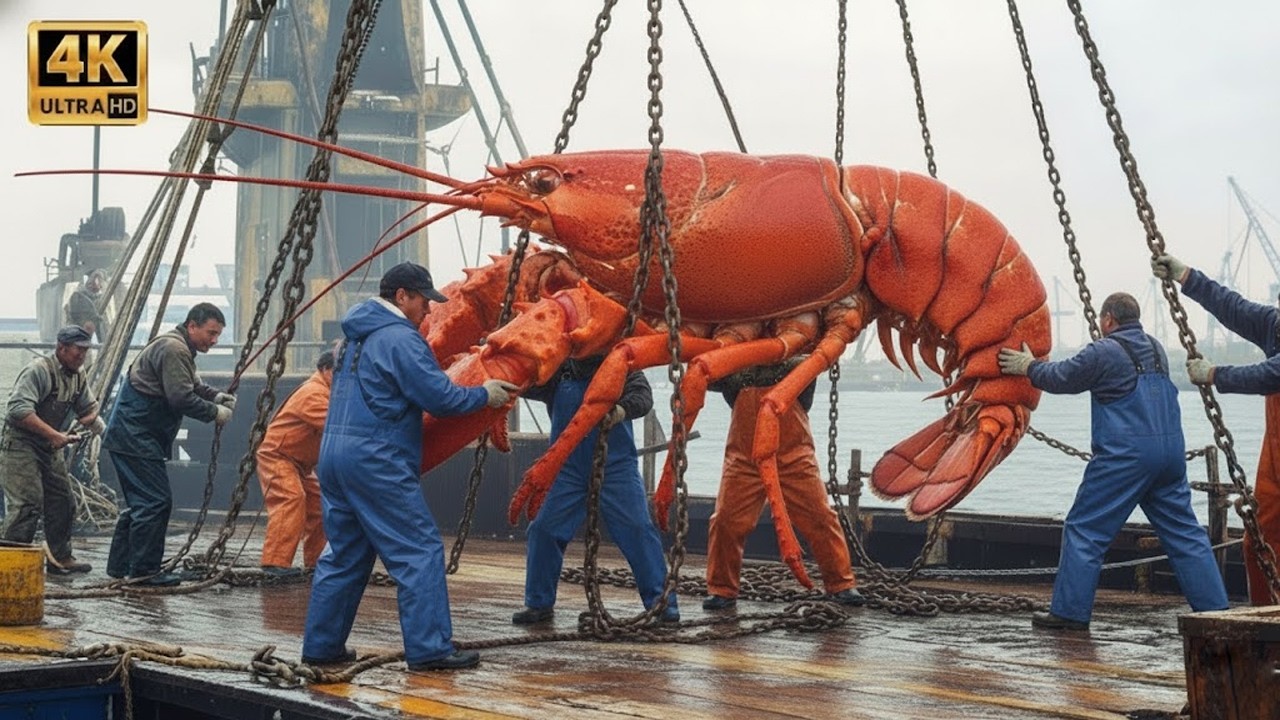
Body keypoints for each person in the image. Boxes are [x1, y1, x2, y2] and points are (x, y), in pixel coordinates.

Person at [301, 262, 517, 672]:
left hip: (334, 457)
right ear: (402, 296)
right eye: (423, 301)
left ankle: (322, 647)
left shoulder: (349, 342)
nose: (428, 310)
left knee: (344, 555)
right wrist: (484, 395)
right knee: (418, 550)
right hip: (377, 460)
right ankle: (430, 650)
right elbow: (439, 398)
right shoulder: (401, 338)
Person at [998, 291, 1229, 630]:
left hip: (1127, 456)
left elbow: (1062, 377)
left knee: (1085, 529)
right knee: (1186, 535)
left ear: (1108, 319)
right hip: (1170, 455)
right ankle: (1216, 612)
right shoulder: (1156, 348)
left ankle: (1069, 613)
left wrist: (1028, 367)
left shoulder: (1104, 350)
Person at [511, 355, 679, 626]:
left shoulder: (622, 364)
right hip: (567, 468)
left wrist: (621, 410)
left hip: (616, 467)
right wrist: (507, 374)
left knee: (638, 529)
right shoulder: (560, 369)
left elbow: (642, 397)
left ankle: (662, 605)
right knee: (543, 529)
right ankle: (538, 603)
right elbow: (529, 383)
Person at [1153, 253, 1280, 605]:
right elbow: (1233, 308)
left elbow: (1271, 374)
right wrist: (1186, 276)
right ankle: (1266, 620)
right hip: (1275, 467)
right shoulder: (1274, 326)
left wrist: (1215, 375)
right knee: (1258, 542)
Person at [702, 366, 865, 610]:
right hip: (745, 458)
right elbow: (709, 377)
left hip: (793, 457)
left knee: (819, 516)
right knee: (726, 519)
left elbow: (810, 378)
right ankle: (721, 589)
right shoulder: (735, 363)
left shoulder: (801, 361)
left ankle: (841, 584)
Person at [103, 303, 235, 587]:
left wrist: (216, 396)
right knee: (154, 502)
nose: (214, 340)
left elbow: (192, 386)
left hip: (132, 436)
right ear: (192, 326)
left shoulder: (177, 346)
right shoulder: (175, 349)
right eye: (211, 333)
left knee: (142, 502)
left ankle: (121, 565)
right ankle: (144, 571)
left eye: (218, 335)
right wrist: (215, 412)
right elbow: (181, 398)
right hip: (135, 437)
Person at [1, 326, 103, 574]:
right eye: (78, 350)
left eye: (86, 350)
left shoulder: (78, 375)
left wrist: (95, 421)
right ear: (61, 348)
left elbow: (88, 406)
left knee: (63, 501)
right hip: (20, 445)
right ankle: (11, 565)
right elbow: (18, 410)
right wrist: (55, 435)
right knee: (27, 504)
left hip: (49, 446)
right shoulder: (38, 371)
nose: (82, 356)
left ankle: (60, 557)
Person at [255, 350, 335, 578]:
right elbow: (336, 426)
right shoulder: (313, 393)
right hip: (278, 457)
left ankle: (316, 562)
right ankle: (274, 563)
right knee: (290, 499)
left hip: (301, 464)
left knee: (319, 505)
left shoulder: (328, 393)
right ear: (326, 370)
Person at [65, 269, 109, 343]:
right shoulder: (78, 296)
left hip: (98, 337)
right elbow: (76, 316)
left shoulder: (103, 298)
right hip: (80, 336)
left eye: (100, 281)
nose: (95, 284)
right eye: (92, 281)